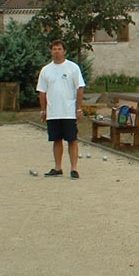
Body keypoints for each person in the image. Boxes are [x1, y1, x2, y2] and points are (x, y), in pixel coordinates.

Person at [36, 40, 85, 179]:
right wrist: (43, 110)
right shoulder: (46, 70)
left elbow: (80, 88)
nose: (56, 51)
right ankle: (58, 167)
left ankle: (74, 168)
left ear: (64, 51)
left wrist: (78, 108)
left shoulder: (72, 68)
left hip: (68, 111)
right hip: (53, 112)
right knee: (56, 140)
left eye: (59, 49)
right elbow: (42, 92)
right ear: (51, 51)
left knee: (72, 140)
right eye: (54, 49)